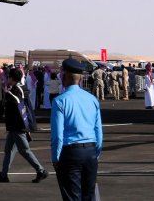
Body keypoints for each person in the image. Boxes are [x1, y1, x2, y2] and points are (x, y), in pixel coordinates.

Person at [51, 58, 103, 201]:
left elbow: (58, 136)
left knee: (72, 197)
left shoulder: (60, 101)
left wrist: (55, 158)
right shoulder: (92, 99)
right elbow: (98, 132)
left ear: (64, 76)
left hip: (70, 153)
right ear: (80, 78)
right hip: (91, 151)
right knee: (89, 195)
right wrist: (95, 153)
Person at [0, 68, 49, 184]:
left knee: (24, 150)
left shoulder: (18, 89)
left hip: (18, 126)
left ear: (12, 78)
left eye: (9, 77)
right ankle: (3, 174)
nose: (7, 79)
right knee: (9, 150)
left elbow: (18, 102)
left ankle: (41, 170)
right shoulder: (17, 88)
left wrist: (7, 92)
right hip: (14, 125)